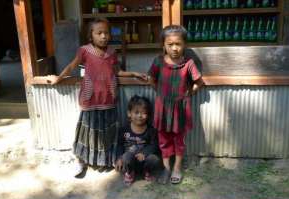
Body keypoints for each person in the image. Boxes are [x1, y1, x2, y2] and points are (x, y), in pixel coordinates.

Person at [47, 18, 148, 178]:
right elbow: (73, 66)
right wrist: (59, 78)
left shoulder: (112, 52)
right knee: (87, 132)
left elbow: (117, 72)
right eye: (99, 33)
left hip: (108, 99)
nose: (103, 36)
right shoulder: (85, 51)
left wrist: (134, 73)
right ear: (91, 35)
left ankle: (106, 160)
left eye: (106, 32)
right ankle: (81, 160)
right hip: (91, 99)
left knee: (108, 133)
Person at [148, 25, 204, 185]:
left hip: (180, 109)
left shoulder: (189, 64)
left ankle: (177, 167)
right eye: (170, 44)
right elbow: (151, 79)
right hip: (162, 109)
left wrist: (189, 93)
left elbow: (199, 82)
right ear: (163, 45)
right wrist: (160, 93)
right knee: (164, 139)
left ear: (184, 44)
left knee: (179, 140)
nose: (174, 48)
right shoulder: (158, 61)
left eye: (178, 44)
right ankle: (166, 168)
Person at [114, 96, 162, 186]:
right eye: (136, 112)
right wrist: (119, 158)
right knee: (126, 157)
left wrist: (144, 153)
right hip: (129, 161)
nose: (140, 116)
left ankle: (146, 172)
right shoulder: (124, 130)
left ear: (148, 115)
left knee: (154, 159)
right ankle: (130, 172)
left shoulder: (151, 131)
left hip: (144, 161)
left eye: (144, 113)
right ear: (129, 113)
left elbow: (154, 145)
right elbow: (119, 145)